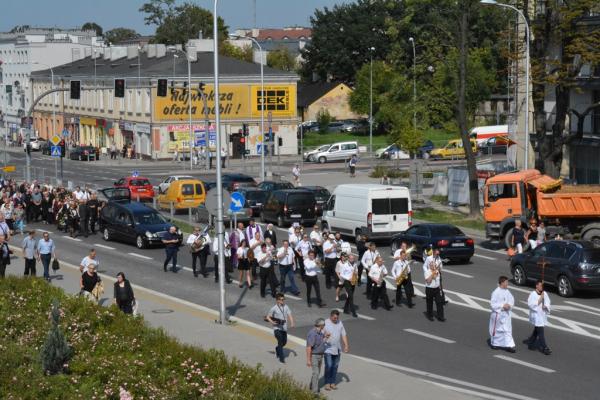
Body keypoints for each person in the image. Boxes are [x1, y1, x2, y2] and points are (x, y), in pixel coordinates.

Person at [323, 310, 349, 391]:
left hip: (337, 349)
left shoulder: (340, 323)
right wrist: (324, 336)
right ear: (330, 316)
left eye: (337, 318)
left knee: (335, 366)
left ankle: (333, 382)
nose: (335, 319)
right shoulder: (325, 323)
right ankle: (327, 383)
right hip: (328, 349)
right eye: (334, 318)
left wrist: (346, 345)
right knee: (329, 365)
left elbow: (343, 334)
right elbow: (319, 332)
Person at [489, 276, 516, 353]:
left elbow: (512, 300)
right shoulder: (496, 292)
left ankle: (509, 345)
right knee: (497, 330)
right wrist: (502, 306)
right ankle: (495, 343)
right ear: (502, 283)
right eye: (506, 282)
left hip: (506, 314)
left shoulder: (508, 292)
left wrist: (509, 305)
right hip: (498, 314)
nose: (507, 284)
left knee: (508, 330)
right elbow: (493, 304)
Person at [266, 293, 295, 363]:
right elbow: (268, 317)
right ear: (277, 300)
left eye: (283, 299)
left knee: (284, 343)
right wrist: (273, 323)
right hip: (277, 329)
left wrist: (292, 322)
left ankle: (277, 349)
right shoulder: (274, 308)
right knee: (280, 341)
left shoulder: (286, 307)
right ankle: (282, 358)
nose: (283, 301)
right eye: (281, 300)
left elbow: (290, 315)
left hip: (284, 328)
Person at [525, 280, 552, 355]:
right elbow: (531, 305)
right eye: (540, 286)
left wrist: (545, 306)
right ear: (536, 286)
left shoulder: (544, 293)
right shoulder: (532, 294)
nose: (541, 287)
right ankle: (544, 347)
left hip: (542, 315)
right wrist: (540, 299)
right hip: (536, 316)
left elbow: (548, 302)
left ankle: (530, 343)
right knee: (541, 331)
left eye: (542, 286)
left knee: (536, 330)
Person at [306, 318, 328, 394]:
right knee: (316, 373)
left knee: (317, 372)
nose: (325, 326)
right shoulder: (312, 333)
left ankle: (312, 385)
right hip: (314, 356)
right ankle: (314, 392)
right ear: (320, 325)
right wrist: (308, 360)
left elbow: (321, 343)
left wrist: (326, 337)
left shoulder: (320, 333)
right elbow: (309, 347)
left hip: (320, 355)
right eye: (324, 324)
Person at [424, 250, 445, 321]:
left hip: (436, 289)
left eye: (434, 265)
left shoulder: (437, 271)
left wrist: (440, 289)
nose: (434, 266)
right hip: (429, 289)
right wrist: (432, 276)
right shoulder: (427, 272)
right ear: (430, 265)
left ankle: (441, 316)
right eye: (432, 265)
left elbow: (439, 280)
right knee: (429, 303)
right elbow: (428, 281)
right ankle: (430, 316)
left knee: (439, 302)